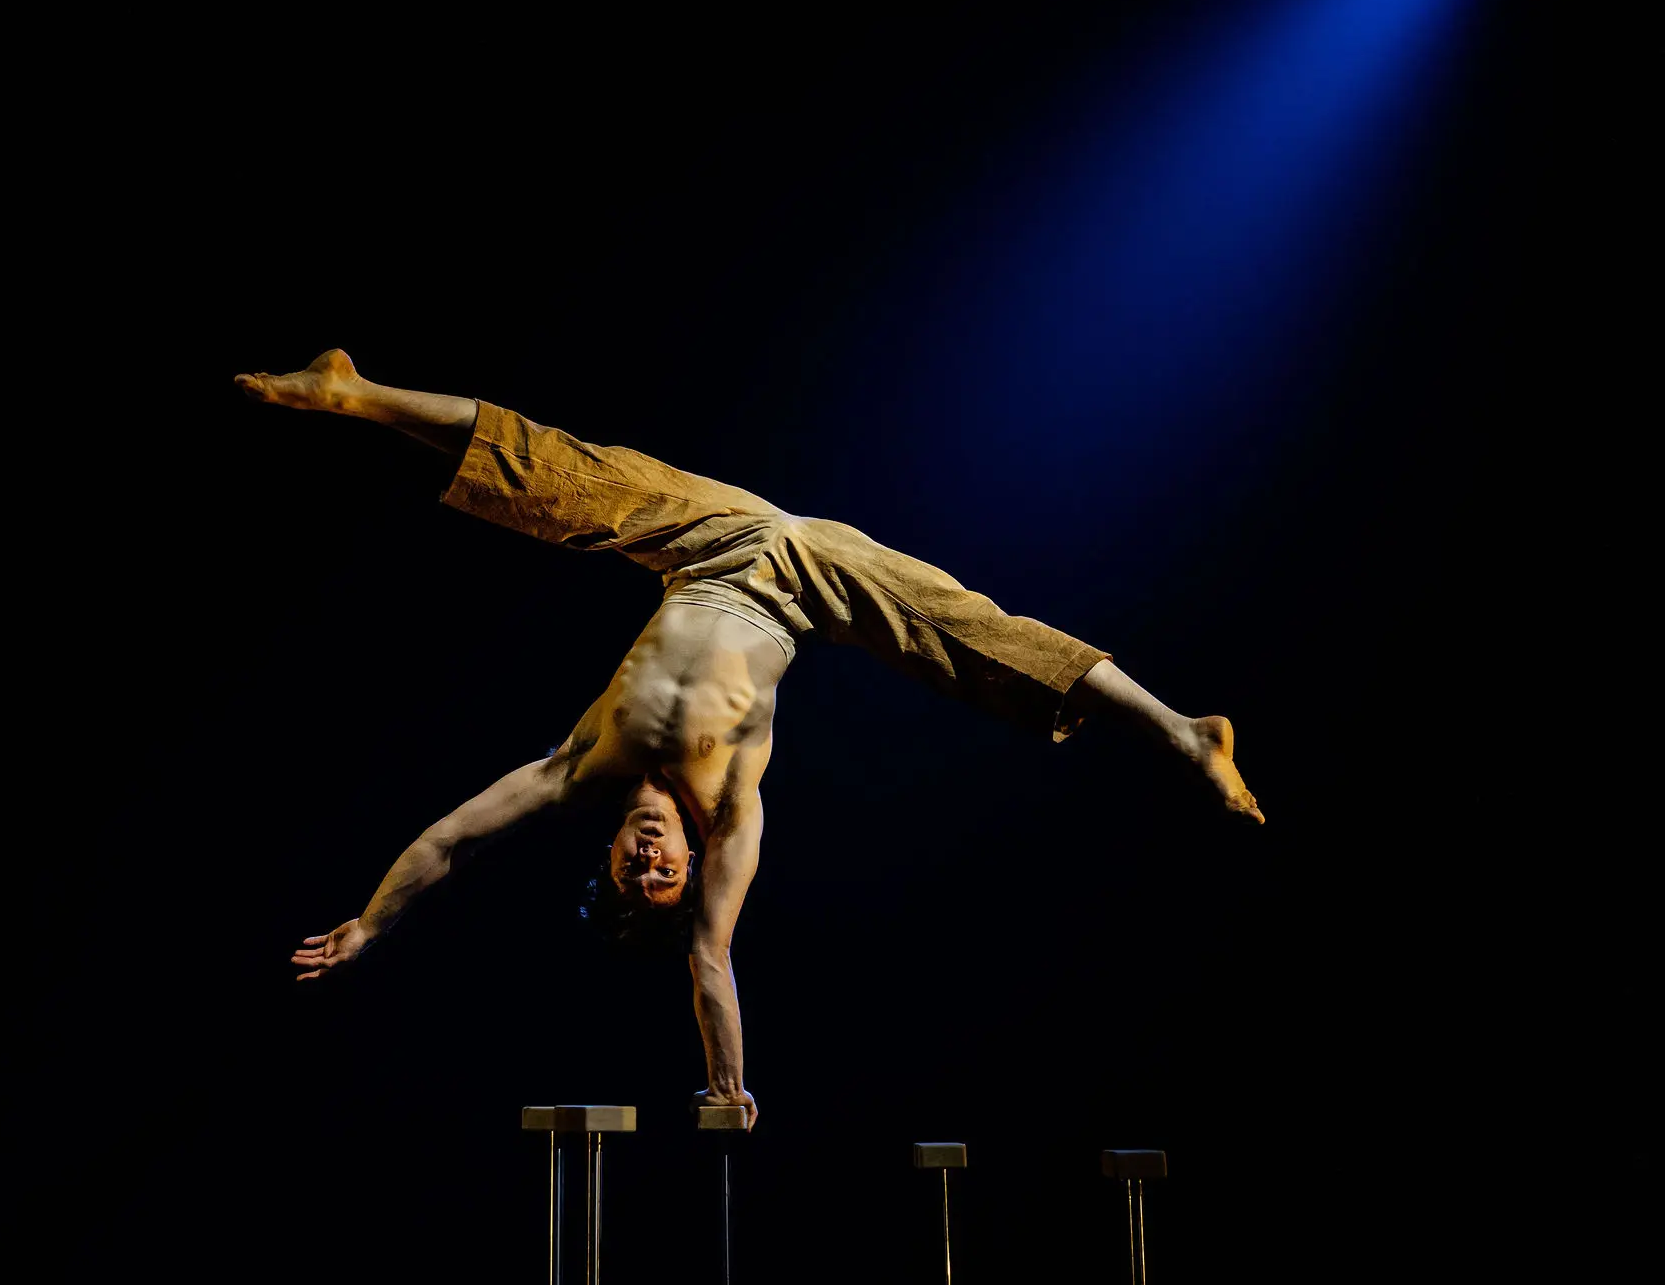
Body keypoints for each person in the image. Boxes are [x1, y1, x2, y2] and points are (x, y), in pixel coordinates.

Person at [237, 350, 1262, 1127]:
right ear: (690, 866)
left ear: (611, 850)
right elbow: (711, 962)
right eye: (664, 878)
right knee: (966, 634)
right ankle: (1182, 734)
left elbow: (450, 840)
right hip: (806, 586)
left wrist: (371, 924)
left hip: (707, 545)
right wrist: (726, 1086)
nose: (650, 861)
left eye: (633, 871)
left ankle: (353, 393)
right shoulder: (731, 812)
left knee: (567, 477)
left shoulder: (575, 766)